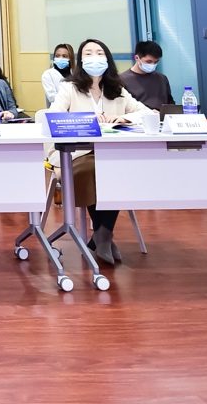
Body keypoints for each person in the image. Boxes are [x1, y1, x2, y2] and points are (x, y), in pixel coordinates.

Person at [48, 38, 155, 264]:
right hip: (75, 153)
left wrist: (123, 118)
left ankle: (100, 237)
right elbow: (53, 116)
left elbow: (147, 113)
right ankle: (103, 236)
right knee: (95, 169)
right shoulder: (69, 88)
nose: (94, 57)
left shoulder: (117, 89)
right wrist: (85, 119)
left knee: (116, 168)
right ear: (80, 60)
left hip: (110, 153)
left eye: (99, 53)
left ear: (107, 58)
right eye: (88, 53)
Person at [119, 40, 175, 110]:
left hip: (161, 116)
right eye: (149, 62)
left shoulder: (162, 78)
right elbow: (122, 107)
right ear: (137, 58)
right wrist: (148, 112)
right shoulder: (122, 80)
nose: (152, 65)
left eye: (156, 62)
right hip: (138, 116)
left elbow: (170, 103)